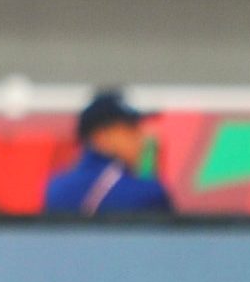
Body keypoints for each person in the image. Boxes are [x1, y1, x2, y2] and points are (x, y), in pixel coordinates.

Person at [40, 92, 174, 216]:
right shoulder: (146, 192)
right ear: (103, 136)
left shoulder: (56, 188)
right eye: (132, 130)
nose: (142, 139)